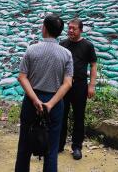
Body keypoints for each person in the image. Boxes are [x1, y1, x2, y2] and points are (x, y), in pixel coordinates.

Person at [15, 14, 73, 172]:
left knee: (24, 146)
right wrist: (50, 104)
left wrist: (35, 100)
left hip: (32, 100)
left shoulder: (32, 50)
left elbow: (22, 77)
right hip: (54, 102)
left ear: (45, 28)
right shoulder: (66, 54)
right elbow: (68, 83)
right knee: (52, 148)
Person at [58, 18, 97, 160]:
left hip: (80, 85)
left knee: (79, 117)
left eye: (73, 28)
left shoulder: (88, 46)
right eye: (69, 28)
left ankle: (76, 147)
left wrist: (91, 85)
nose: (70, 31)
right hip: (63, 85)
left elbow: (93, 65)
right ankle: (59, 144)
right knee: (61, 114)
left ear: (81, 30)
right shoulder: (62, 44)